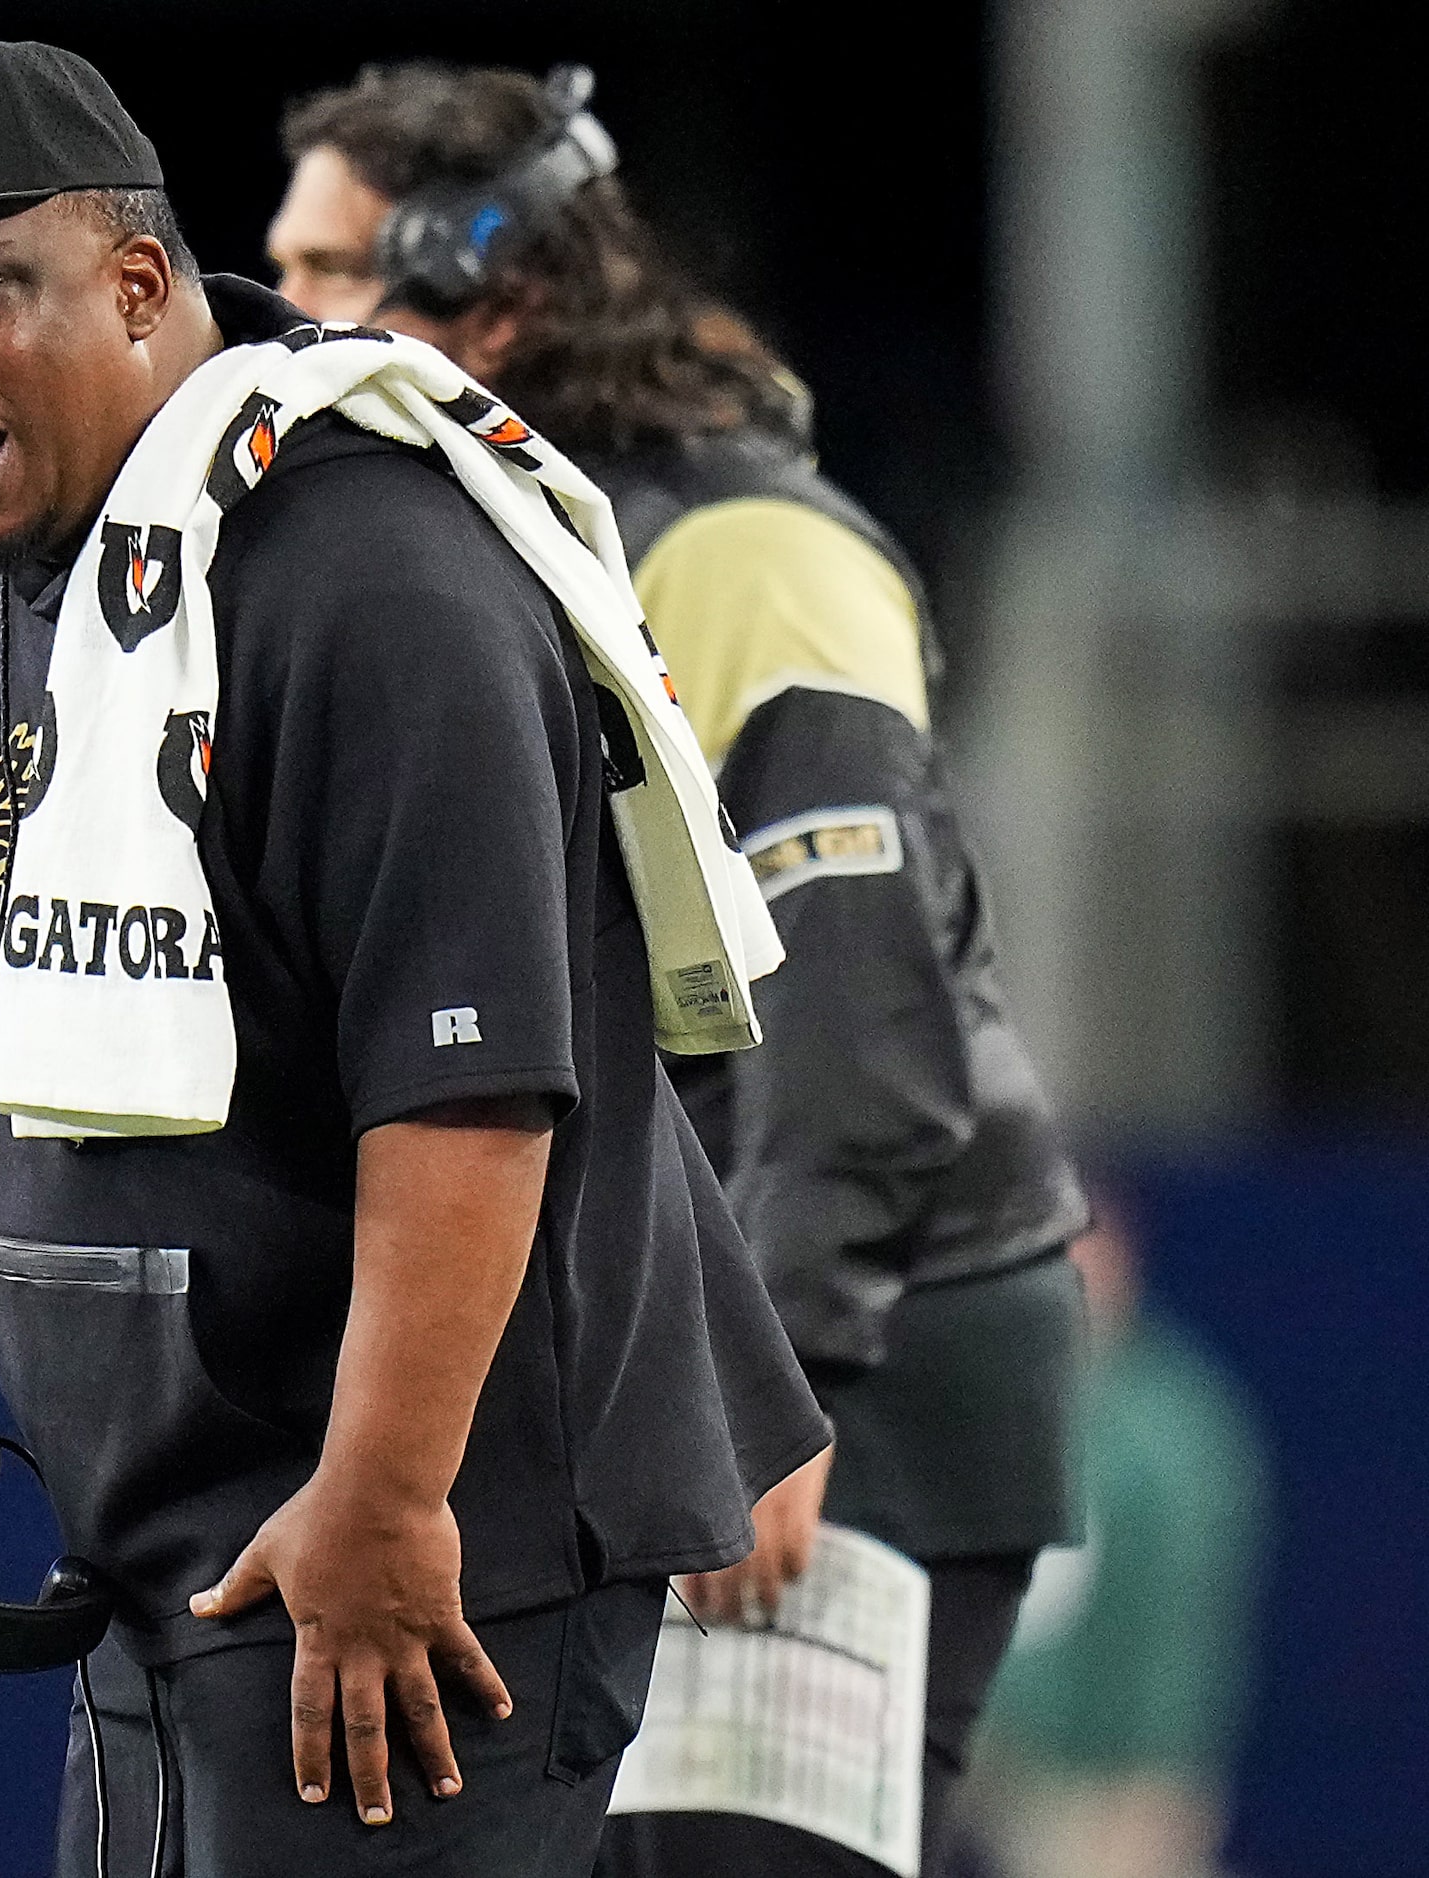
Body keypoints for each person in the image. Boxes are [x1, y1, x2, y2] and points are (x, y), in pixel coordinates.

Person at [0, 38, 828, 1878]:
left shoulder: (371, 578)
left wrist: (388, 1491)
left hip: (426, 1541)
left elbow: (478, 1077)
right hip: (174, 1545)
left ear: (141, 282)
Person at [268, 63, 1094, 1878]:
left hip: (850, 1360)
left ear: (496, 289)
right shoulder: (496, 549)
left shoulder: (742, 550)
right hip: (698, 1362)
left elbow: (860, 1015)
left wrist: (771, 1386)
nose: (281, 323)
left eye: (332, 271)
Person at [961, 1192, 1269, 1878]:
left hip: (1097, 1778)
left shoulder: (1173, 1432)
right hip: (972, 1746)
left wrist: (1154, 1781)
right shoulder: (981, 1396)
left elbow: (1179, 1632)